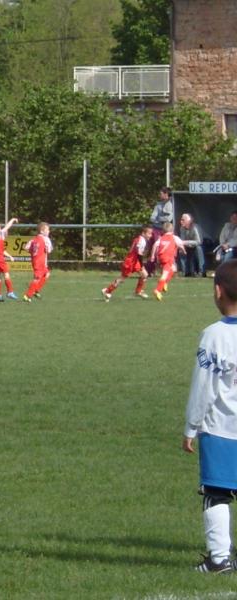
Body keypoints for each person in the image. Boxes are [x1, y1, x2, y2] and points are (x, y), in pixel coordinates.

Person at [182, 260, 237, 573]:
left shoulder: (214, 335)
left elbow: (204, 386)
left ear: (218, 292)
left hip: (222, 428)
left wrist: (191, 426)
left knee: (216, 493)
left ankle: (218, 559)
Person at [102, 226, 153, 302]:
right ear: (143, 233)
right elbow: (139, 254)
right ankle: (107, 290)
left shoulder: (138, 239)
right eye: (149, 233)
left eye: (151, 234)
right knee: (122, 278)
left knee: (144, 274)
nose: (150, 235)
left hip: (135, 261)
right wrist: (142, 265)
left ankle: (138, 291)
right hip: (130, 262)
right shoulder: (142, 241)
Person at [151, 221, 186, 301]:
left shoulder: (161, 238)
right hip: (168, 258)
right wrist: (183, 250)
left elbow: (155, 245)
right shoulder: (174, 237)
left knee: (173, 269)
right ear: (172, 230)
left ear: (163, 231)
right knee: (165, 274)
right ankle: (157, 290)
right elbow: (180, 244)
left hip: (161, 257)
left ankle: (165, 283)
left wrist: (152, 255)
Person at [146, 186, 173, 276]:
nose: (160, 195)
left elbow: (169, 219)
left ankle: (167, 270)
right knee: (153, 249)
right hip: (157, 230)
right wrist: (161, 220)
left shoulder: (172, 204)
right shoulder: (158, 205)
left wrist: (159, 219)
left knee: (166, 251)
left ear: (166, 194)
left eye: (161, 193)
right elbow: (152, 218)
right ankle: (149, 270)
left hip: (167, 231)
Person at [22, 222, 52, 303]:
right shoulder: (46, 239)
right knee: (37, 278)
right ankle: (27, 295)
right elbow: (49, 250)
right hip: (41, 262)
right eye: (47, 230)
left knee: (47, 274)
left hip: (35, 261)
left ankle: (36, 290)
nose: (49, 231)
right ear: (42, 231)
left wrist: (33, 252)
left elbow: (26, 248)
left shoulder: (34, 239)